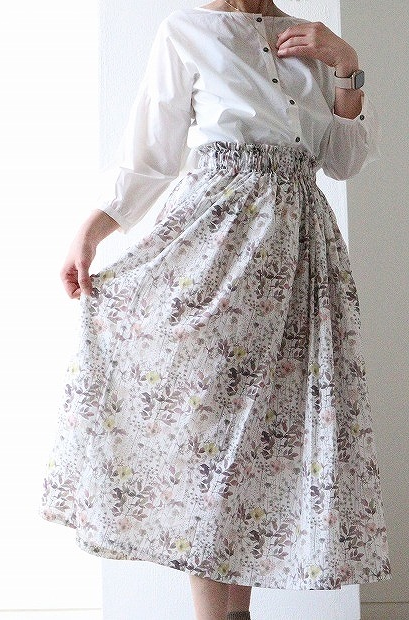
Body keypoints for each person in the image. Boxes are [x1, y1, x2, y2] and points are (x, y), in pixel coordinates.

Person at [39, 0, 393, 618]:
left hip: (299, 261)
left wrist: (346, 66)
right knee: (208, 445)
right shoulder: (186, 31)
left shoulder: (307, 38)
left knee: (260, 445)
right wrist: (91, 232)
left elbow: (342, 161)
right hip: (214, 250)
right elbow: (150, 157)